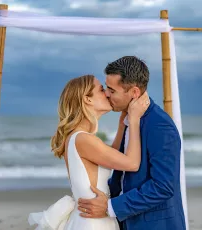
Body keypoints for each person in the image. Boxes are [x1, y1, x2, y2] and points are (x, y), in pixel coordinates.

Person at [28, 74, 149, 230]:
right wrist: (134, 119)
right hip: (93, 222)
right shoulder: (83, 139)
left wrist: (121, 125)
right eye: (101, 90)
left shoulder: (77, 138)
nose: (106, 93)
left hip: (89, 218)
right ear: (87, 99)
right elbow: (132, 164)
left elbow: (110, 156)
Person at [78, 56, 186, 230]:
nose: (106, 94)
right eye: (106, 88)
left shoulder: (159, 125)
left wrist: (111, 207)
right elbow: (122, 176)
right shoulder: (128, 119)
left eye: (112, 91)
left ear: (134, 92)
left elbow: (163, 187)